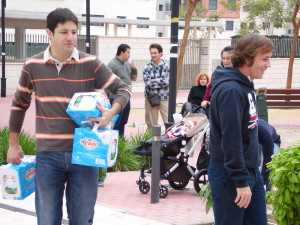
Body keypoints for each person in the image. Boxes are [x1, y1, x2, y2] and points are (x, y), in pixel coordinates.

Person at [6, 8, 130, 225]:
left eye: (74, 31)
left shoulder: (90, 63)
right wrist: (13, 144)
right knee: (47, 220)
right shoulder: (32, 66)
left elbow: (123, 89)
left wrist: (111, 112)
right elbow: (19, 104)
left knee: (82, 220)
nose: (70, 37)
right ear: (49, 33)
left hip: (85, 153)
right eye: (64, 32)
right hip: (48, 156)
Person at [208, 33, 274, 225]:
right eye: (265, 59)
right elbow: (231, 139)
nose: (268, 64)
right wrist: (240, 181)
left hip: (250, 171)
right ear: (247, 58)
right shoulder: (232, 90)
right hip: (231, 176)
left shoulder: (244, 85)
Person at [107, 44, 137, 136]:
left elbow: (133, 78)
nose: (129, 55)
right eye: (128, 52)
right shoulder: (112, 64)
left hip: (127, 97)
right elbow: (106, 81)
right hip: (116, 99)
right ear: (121, 52)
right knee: (116, 121)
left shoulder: (127, 64)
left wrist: (134, 69)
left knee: (124, 120)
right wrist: (111, 96)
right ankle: (115, 142)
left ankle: (121, 140)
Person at [143, 43, 170, 134]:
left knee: (169, 122)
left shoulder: (168, 66)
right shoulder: (146, 67)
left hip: (165, 97)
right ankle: (152, 144)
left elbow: (169, 81)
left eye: (155, 53)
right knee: (151, 124)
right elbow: (148, 83)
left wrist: (155, 80)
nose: (153, 55)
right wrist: (162, 81)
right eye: (151, 53)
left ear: (161, 53)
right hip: (150, 98)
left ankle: (169, 144)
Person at [258, 119, 281, 192]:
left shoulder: (264, 133)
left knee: (271, 164)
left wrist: (263, 181)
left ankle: (267, 192)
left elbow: (268, 158)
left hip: (273, 142)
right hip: (260, 142)